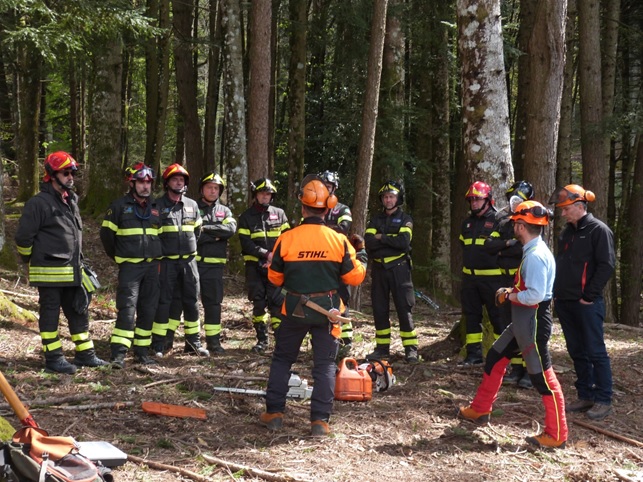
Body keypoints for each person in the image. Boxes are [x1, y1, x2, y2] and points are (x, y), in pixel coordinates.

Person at [260, 174, 366, 436]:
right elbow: (355, 276)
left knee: (283, 359)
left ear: (303, 206)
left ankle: (274, 413)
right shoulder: (338, 240)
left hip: (293, 308)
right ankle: (320, 421)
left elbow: (274, 276)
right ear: (328, 207)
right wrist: (361, 256)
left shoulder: (287, 238)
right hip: (328, 311)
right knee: (325, 365)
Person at [458, 200, 568, 449]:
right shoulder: (531, 251)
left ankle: (557, 434)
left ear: (520, 226)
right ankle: (480, 409)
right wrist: (513, 290)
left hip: (532, 324)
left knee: (543, 379)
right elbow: (529, 289)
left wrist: (509, 296)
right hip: (521, 322)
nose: (512, 228)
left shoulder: (536, 256)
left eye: (515, 223)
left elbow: (536, 295)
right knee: (495, 358)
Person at [15, 151, 107, 374]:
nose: (70, 177)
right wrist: (30, 259)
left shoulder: (71, 200)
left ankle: (85, 355)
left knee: (78, 312)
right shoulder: (38, 203)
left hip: (72, 271)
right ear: (51, 175)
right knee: (50, 315)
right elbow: (23, 239)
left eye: (72, 172)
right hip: (49, 273)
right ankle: (54, 358)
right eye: (65, 173)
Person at [549, 184, 616, 421]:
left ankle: (603, 399)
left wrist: (588, 296)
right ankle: (586, 394)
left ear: (580, 206)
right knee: (576, 350)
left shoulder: (599, 230)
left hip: (587, 303)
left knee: (595, 350)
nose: (563, 213)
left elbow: (606, 265)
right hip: (565, 301)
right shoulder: (566, 232)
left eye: (566, 209)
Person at [100, 163, 162, 368]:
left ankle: (141, 352)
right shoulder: (117, 207)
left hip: (152, 268)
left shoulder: (156, 208)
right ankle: (118, 354)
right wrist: (120, 258)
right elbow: (107, 237)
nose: (145, 186)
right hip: (130, 268)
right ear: (132, 183)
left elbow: (160, 237)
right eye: (141, 182)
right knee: (127, 309)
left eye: (148, 182)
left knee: (148, 309)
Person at [481, 180, 535, 388]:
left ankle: (530, 371)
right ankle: (516, 369)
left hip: (522, 279)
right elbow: (488, 246)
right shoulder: (501, 219)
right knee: (506, 324)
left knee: (525, 325)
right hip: (502, 279)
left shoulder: (532, 219)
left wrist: (503, 249)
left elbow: (523, 248)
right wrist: (506, 245)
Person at [151, 163, 207, 357]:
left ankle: (193, 343)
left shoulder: (192, 205)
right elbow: (153, 236)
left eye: (181, 179)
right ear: (167, 183)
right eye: (175, 179)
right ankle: (159, 344)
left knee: (191, 301)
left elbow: (197, 231)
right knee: (164, 301)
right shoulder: (157, 206)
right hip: (166, 262)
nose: (178, 182)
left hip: (189, 263)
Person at [364, 181, 419, 364]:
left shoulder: (406, 219)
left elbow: (404, 242)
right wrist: (388, 241)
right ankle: (381, 349)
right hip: (379, 270)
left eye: (392, 196)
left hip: (399, 269)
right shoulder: (376, 219)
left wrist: (382, 237)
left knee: (404, 308)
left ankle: (411, 350)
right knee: (379, 309)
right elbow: (369, 242)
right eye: (386, 197)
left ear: (398, 198)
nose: (388, 200)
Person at [238, 178, 290, 353]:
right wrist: (265, 254)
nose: (265, 197)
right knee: (259, 303)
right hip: (254, 268)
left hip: (276, 267)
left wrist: (275, 258)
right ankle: (262, 340)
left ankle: (281, 341)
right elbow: (246, 244)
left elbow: (288, 238)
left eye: (268, 194)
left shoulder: (280, 214)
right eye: (262, 193)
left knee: (277, 304)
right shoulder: (246, 217)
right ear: (255, 195)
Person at [458, 181, 507, 365]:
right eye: (471, 200)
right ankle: (474, 355)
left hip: (493, 279)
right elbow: (464, 245)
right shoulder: (467, 223)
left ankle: (500, 357)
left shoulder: (498, 221)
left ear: (488, 200)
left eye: (478, 199)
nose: (474, 203)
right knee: (471, 317)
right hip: (470, 279)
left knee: (498, 318)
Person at [318, 170, 360, 354]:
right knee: (319, 298)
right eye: (323, 186)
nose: (326, 190)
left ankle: (346, 340)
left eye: (329, 187)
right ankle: (323, 339)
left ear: (334, 188)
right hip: (318, 260)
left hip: (338, 259)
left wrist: (323, 229)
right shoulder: (315, 206)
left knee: (342, 299)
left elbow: (343, 228)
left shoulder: (342, 208)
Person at [195, 172, 237, 353]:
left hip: (214, 267)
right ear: (202, 189)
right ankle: (191, 342)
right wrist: (215, 235)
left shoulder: (225, 211)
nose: (213, 191)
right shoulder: (192, 207)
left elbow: (230, 229)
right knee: (188, 302)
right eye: (209, 187)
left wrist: (205, 229)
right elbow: (192, 233)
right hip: (193, 265)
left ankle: (213, 342)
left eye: (216, 188)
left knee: (213, 304)